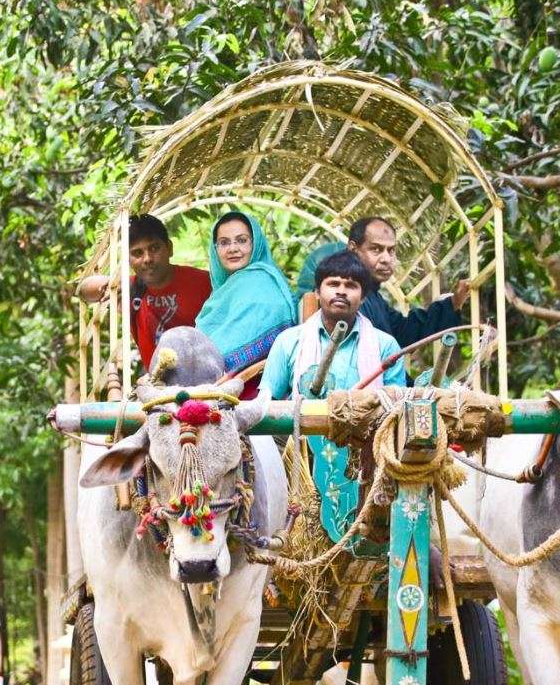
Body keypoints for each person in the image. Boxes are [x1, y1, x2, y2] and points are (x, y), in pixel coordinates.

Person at [262, 250, 405, 539]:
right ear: (317, 291)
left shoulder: (385, 346)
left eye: (351, 286)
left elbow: (397, 406)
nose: (341, 291)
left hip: (369, 468)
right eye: (333, 283)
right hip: (302, 471)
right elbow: (267, 402)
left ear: (363, 297)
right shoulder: (289, 342)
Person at [77, 214, 211, 367]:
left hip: (206, 377)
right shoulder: (129, 289)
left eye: (154, 248)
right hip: (158, 384)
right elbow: (83, 291)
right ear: (128, 260)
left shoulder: (203, 282)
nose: (147, 258)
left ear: (169, 248)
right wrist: (109, 284)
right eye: (137, 253)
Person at [193, 211, 295, 393]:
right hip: (216, 390)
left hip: (255, 392)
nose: (232, 248)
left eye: (241, 240)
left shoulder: (262, 282)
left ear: (255, 244)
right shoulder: (226, 289)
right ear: (215, 249)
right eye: (224, 243)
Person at [346, 216, 471, 347]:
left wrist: (453, 303)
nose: (386, 259)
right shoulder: (345, 289)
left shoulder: (372, 295)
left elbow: (403, 331)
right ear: (353, 249)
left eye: (391, 250)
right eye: (376, 249)